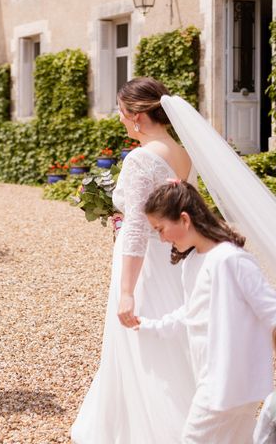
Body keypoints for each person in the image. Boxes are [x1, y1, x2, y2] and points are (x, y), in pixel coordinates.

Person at [71, 77, 196, 443]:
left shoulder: (142, 159)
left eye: (123, 112)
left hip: (145, 269)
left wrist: (127, 291)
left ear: (138, 115)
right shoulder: (181, 152)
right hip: (173, 261)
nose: (121, 119)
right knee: (171, 342)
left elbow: (139, 229)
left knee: (143, 346)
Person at [137, 180, 276, 443]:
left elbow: (272, 312)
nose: (162, 238)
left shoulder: (230, 259)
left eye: (161, 229)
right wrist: (148, 325)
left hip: (228, 379)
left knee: (193, 439)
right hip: (214, 376)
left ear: (185, 219)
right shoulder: (193, 262)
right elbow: (191, 311)